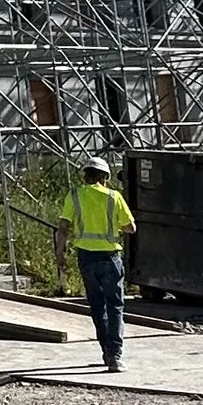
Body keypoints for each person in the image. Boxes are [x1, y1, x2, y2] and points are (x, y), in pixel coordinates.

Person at [61, 155, 135, 370]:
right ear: (105, 177)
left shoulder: (74, 195)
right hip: (110, 258)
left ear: (85, 175)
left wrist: (60, 254)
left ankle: (106, 350)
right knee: (115, 306)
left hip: (86, 257)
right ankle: (114, 355)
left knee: (97, 305)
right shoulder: (114, 197)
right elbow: (131, 227)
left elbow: (63, 227)